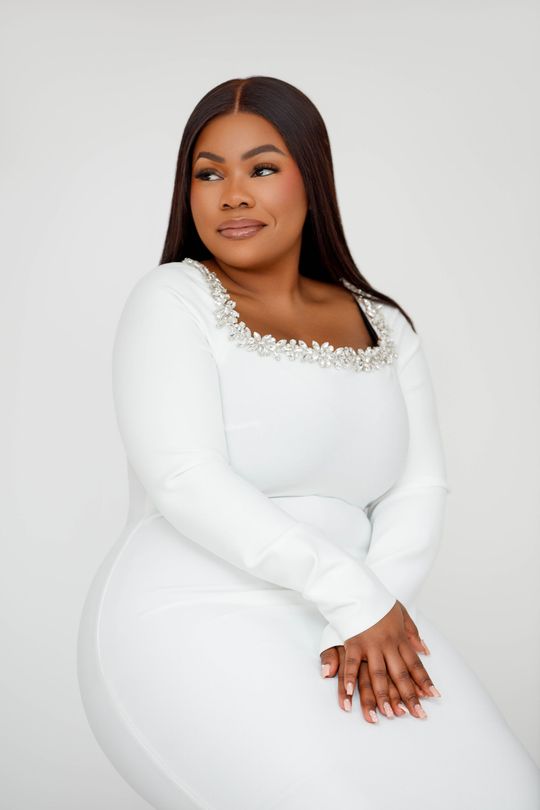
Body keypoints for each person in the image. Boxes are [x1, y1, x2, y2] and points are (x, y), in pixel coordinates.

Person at [77, 75, 540, 810]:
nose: (232, 195)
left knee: (505, 791)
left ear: (312, 179)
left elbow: (418, 487)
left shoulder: (386, 324)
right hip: (194, 609)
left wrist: (375, 608)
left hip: (359, 616)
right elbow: (184, 477)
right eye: (208, 174)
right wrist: (353, 598)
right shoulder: (172, 299)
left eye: (261, 168)